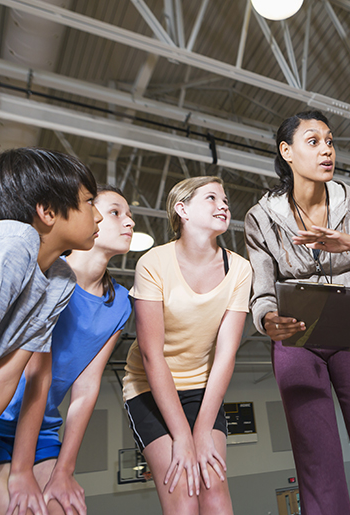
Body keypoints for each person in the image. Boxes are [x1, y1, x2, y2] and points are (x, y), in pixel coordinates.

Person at [244, 110, 350, 515]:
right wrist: (269, 321)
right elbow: (262, 293)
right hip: (295, 340)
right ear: (286, 152)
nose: (327, 150)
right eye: (314, 141)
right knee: (316, 460)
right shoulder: (261, 217)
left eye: (330, 141)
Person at [0, 185, 134, 515]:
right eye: (115, 211)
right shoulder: (50, 277)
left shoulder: (120, 305)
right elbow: (34, 376)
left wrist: (64, 470)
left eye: (130, 215)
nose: (128, 221)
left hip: (41, 430)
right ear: (91, 216)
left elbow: (86, 389)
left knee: (67, 509)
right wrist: (22, 472)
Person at [123, 176, 250, 515]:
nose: (223, 205)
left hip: (201, 388)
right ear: (182, 210)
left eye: (224, 199)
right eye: (211, 198)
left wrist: (203, 428)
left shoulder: (239, 269)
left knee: (214, 487)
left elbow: (225, 353)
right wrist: (182, 435)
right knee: (183, 489)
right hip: (149, 388)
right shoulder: (153, 263)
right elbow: (151, 355)